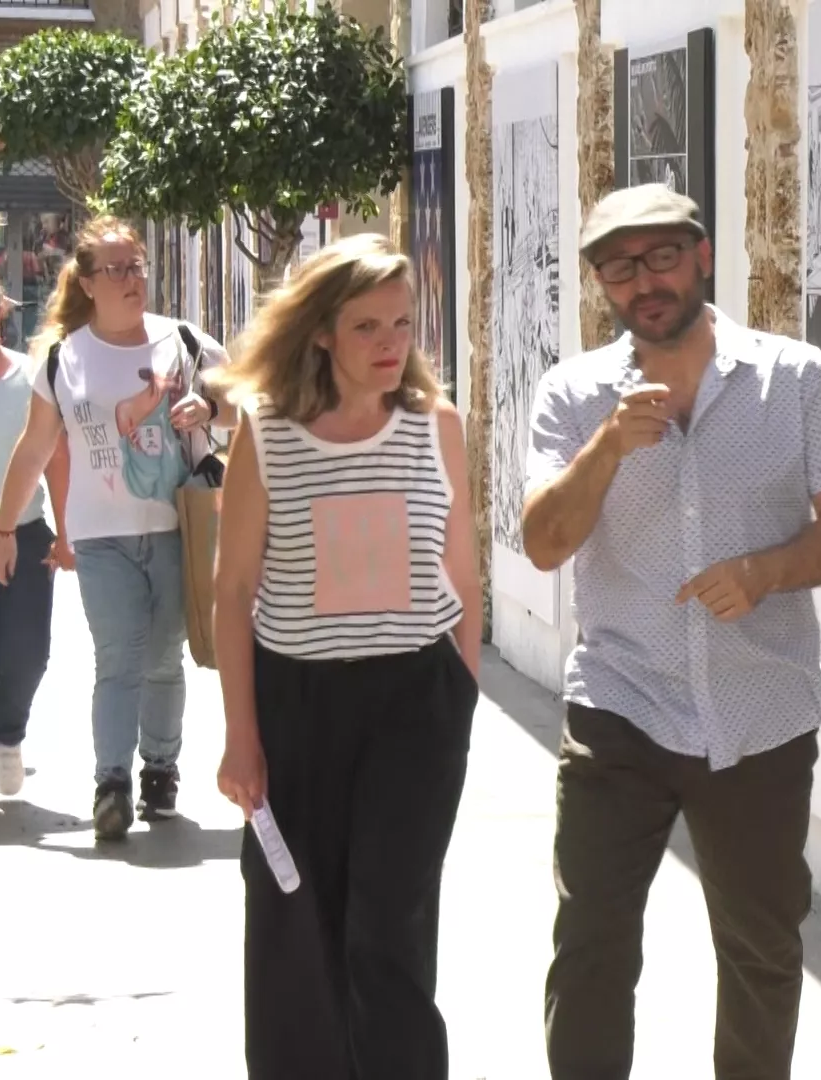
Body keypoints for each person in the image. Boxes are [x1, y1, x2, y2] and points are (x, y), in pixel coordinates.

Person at [523, 183, 821, 1078]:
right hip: (620, 707)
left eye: (663, 258)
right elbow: (543, 542)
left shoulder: (795, 380)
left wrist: (764, 572)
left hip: (759, 709)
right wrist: (606, 446)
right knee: (592, 946)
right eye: (621, 267)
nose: (645, 282)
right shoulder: (573, 395)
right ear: (602, 284)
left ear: (703, 257)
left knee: (761, 949)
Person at [207, 233, 481, 1080]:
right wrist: (241, 737)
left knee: (389, 925)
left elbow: (463, 572)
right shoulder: (269, 434)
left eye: (402, 322)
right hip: (298, 705)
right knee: (296, 918)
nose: (393, 343)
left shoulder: (438, 426)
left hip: (414, 703)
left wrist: (459, 692)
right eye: (368, 326)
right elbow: (231, 592)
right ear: (321, 331)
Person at [0, 215, 234, 840]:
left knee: (162, 657)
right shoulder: (66, 359)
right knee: (117, 656)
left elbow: (240, 405)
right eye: (117, 270)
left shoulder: (182, 340)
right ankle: (112, 783)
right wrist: (6, 527)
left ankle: (160, 768)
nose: (132, 280)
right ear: (89, 282)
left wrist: (208, 406)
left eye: (138, 267)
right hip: (100, 538)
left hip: (176, 525)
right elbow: (35, 446)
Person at [0, 263, 70, 808]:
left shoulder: (27, 379)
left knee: (27, 652)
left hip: (26, 531)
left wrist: (67, 531)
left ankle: (8, 735)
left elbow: (55, 457)